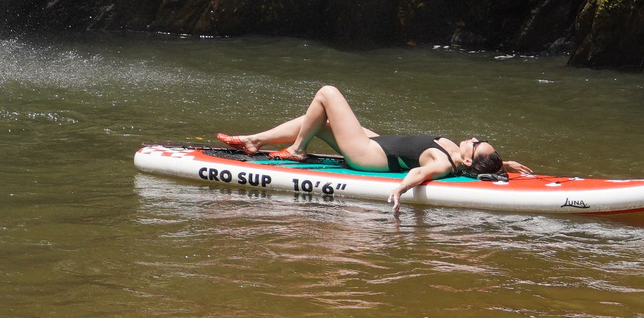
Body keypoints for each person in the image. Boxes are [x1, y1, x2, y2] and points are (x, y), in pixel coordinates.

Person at [217, 84, 533, 213]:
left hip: (365, 154)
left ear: (466, 159)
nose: (473, 139)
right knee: (317, 120)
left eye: (476, 145)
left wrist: (398, 192)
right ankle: (255, 141)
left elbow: (421, 173)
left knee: (327, 93)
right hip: (376, 143)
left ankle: (298, 150)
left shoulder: (443, 162)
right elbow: (479, 167)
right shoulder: (458, 155)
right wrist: (504, 165)